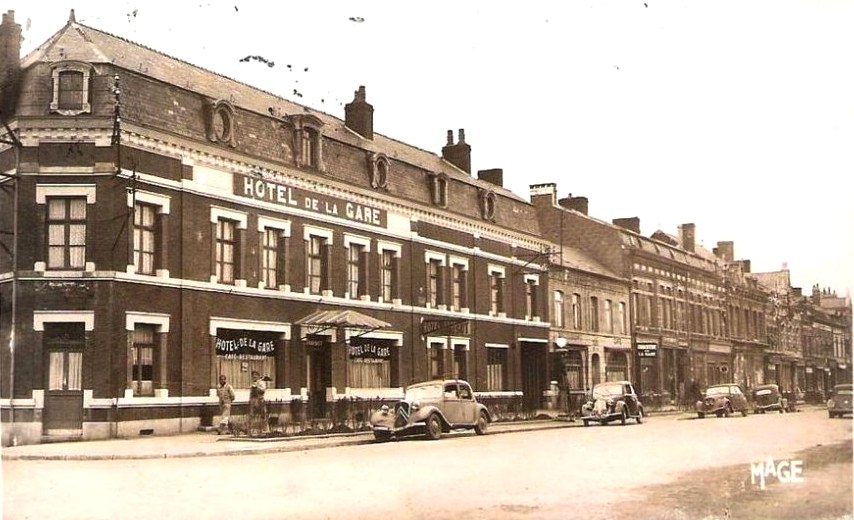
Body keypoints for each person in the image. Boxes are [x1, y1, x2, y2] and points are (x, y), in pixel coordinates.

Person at [249, 370, 267, 436]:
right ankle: (253, 429)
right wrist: (250, 400)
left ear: (258, 376)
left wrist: (257, 387)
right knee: (252, 414)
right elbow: (251, 392)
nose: (254, 378)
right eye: (253, 377)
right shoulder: (252, 384)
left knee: (262, 414)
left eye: (256, 377)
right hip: (253, 400)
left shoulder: (261, 383)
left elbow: (263, 390)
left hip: (260, 399)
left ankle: (263, 429)